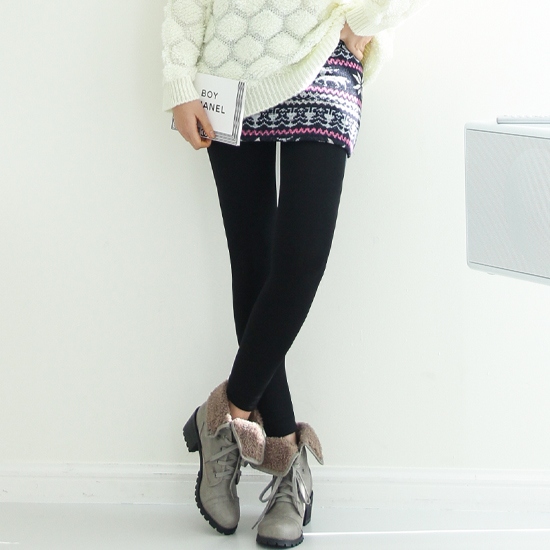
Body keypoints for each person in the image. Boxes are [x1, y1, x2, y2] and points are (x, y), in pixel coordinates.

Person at [162, 0, 427, 546]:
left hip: (322, 57)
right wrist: (180, 81)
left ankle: (224, 418)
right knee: (254, 266)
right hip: (228, 69)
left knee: (302, 260)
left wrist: (363, 21)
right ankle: (285, 458)